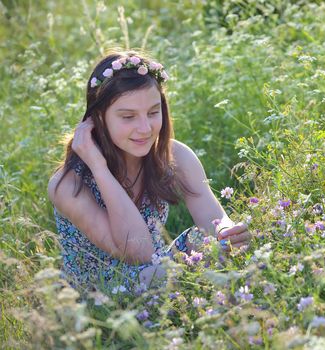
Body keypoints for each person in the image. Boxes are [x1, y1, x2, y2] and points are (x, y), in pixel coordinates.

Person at [47, 49, 251, 291]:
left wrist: (227, 232)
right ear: (99, 118)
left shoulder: (174, 156)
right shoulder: (68, 184)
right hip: (100, 296)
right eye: (128, 116)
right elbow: (138, 251)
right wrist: (99, 167)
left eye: (153, 112)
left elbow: (213, 220)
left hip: (155, 271)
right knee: (163, 271)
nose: (145, 128)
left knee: (206, 241)